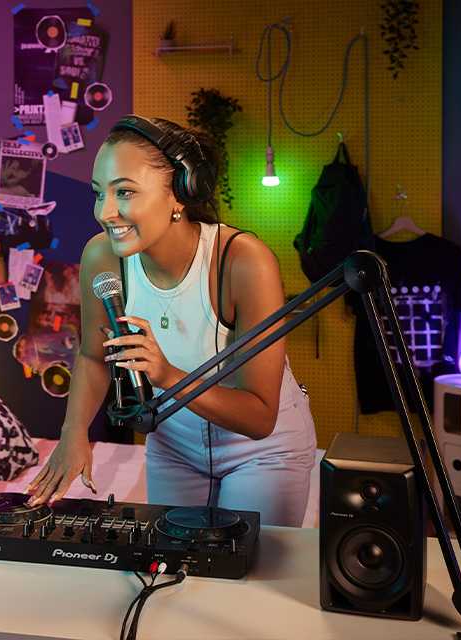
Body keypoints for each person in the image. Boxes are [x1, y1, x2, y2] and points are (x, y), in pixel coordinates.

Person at [26, 116, 317, 526]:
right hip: (173, 444)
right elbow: (94, 357)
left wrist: (165, 374)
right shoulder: (102, 257)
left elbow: (259, 416)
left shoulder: (242, 262)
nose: (105, 213)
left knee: (247, 576)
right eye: (98, 194)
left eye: (124, 192)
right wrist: (74, 433)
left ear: (180, 193)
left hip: (262, 449)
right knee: (175, 574)